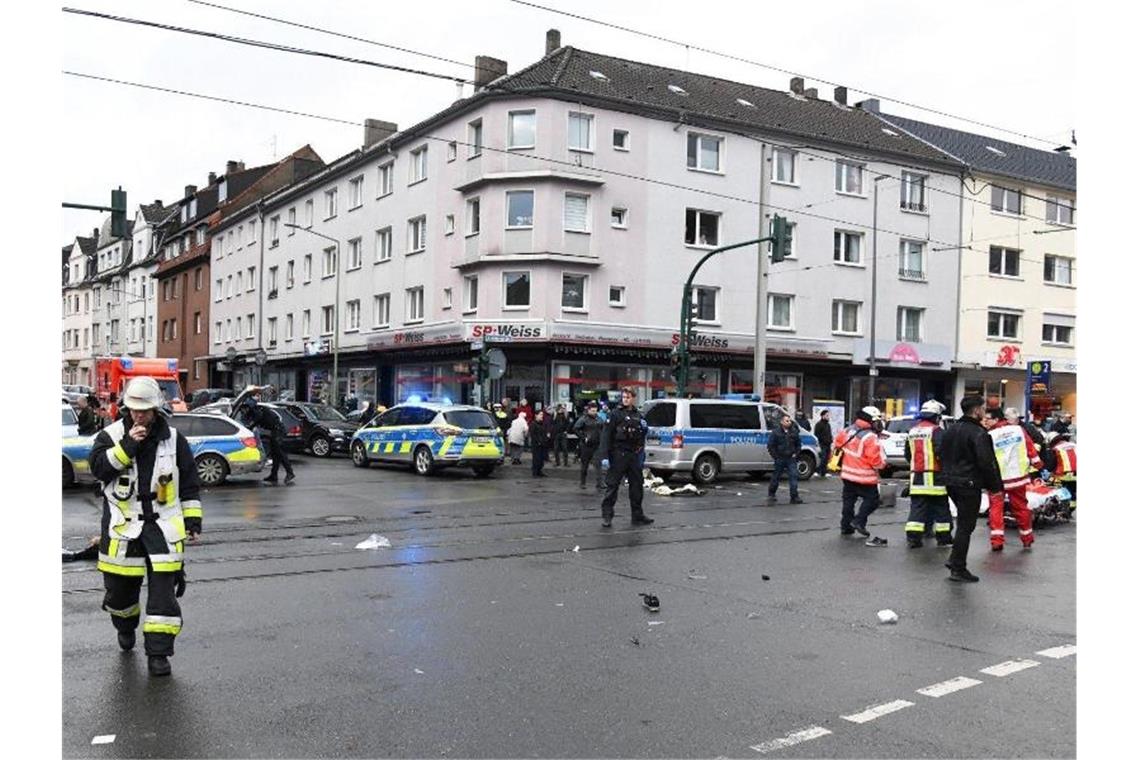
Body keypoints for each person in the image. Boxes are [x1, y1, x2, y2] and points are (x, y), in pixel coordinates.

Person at [87, 377, 202, 677]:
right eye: (134, 410)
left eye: (145, 411)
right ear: (127, 408)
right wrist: (128, 446)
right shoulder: (110, 436)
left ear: (156, 409)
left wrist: (193, 520)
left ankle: (159, 654)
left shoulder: (174, 440)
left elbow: (189, 482)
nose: (139, 415)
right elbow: (98, 469)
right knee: (120, 595)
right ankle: (124, 627)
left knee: (163, 597)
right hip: (123, 530)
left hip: (162, 528)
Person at [940, 395, 1004, 582]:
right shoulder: (978, 433)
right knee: (966, 527)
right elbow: (987, 463)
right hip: (969, 483)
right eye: (983, 408)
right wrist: (995, 486)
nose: (984, 412)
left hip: (951, 482)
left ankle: (955, 560)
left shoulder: (951, 430)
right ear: (976, 410)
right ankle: (958, 567)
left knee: (963, 524)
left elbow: (941, 453)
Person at [987, 407, 1044, 551]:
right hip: (1018, 477)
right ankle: (1027, 539)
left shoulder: (989, 435)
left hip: (998, 480)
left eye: (988, 419)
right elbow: (1031, 449)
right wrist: (1038, 464)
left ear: (996, 419)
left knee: (996, 509)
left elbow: (986, 458)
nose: (985, 422)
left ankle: (997, 541)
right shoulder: (1018, 430)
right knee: (1021, 508)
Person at [599, 387, 653, 528]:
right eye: (624, 397)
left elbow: (641, 435)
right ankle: (607, 516)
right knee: (612, 486)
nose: (625, 399)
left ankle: (637, 515)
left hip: (633, 455)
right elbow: (606, 436)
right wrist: (604, 456)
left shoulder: (638, 415)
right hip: (618, 454)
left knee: (636, 486)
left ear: (633, 398)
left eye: (628, 397)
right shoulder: (615, 414)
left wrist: (645, 430)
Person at [903, 400, 953, 548]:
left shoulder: (912, 431)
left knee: (917, 509)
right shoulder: (937, 431)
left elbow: (908, 455)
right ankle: (944, 539)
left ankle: (913, 538)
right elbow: (942, 453)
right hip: (935, 477)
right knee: (941, 509)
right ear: (937, 417)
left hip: (917, 477)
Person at [833, 406, 886, 538]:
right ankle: (859, 521)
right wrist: (883, 464)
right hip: (864, 477)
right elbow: (876, 461)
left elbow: (837, 446)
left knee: (848, 502)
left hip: (847, 474)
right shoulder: (870, 437)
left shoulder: (848, 430)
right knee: (873, 500)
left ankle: (846, 526)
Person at [242, 398, 295, 485]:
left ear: (251, 406)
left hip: (278, 431)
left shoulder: (257, 411)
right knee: (275, 454)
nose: (245, 409)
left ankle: (290, 473)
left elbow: (254, 422)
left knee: (280, 453)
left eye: (247, 407)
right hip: (274, 431)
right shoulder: (258, 410)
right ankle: (274, 475)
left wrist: (248, 427)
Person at [766, 414, 804, 504]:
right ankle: (771, 494)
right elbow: (771, 446)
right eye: (787, 421)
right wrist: (775, 456)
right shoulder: (776, 432)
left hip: (791, 458)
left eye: (789, 421)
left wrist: (796, 453)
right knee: (776, 476)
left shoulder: (794, 432)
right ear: (782, 422)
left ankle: (794, 496)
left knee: (793, 477)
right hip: (780, 458)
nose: (789, 422)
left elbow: (798, 444)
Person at [573, 401, 606, 490]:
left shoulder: (599, 419)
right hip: (586, 445)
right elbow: (575, 428)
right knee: (585, 465)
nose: (594, 413)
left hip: (596, 444)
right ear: (588, 410)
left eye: (595, 411)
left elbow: (603, 429)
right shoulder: (583, 419)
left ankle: (600, 483)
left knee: (598, 464)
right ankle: (582, 482)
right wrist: (583, 437)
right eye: (592, 411)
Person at [1048, 432, 1077, 505]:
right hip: (1076, 473)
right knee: (1073, 491)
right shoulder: (1074, 445)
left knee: (1055, 487)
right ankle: (1072, 505)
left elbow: (1051, 465)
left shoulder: (1055, 449)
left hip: (1063, 475)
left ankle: (1064, 506)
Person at [529, 409, 553, 477]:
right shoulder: (533, 424)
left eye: (542, 415)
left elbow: (544, 433)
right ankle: (535, 472)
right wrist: (538, 442)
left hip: (543, 444)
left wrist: (545, 440)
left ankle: (539, 471)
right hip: (536, 445)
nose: (542, 416)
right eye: (540, 414)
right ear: (536, 415)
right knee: (536, 459)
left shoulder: (542, 424)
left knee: (541, 459)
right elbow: (533, 435)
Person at [813, 410, 834, 477]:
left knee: (826, 458)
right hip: (822, 444)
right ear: (822, 416)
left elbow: (829, 434)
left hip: (828, 444)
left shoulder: (828, 425)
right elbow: (816, 434)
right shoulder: (819, 424)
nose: (828, 417)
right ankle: (817, 471)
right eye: (827, 415)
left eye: (828, 415)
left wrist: (831, 440)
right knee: (822, 458)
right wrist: (819, 443)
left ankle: (824, 472)